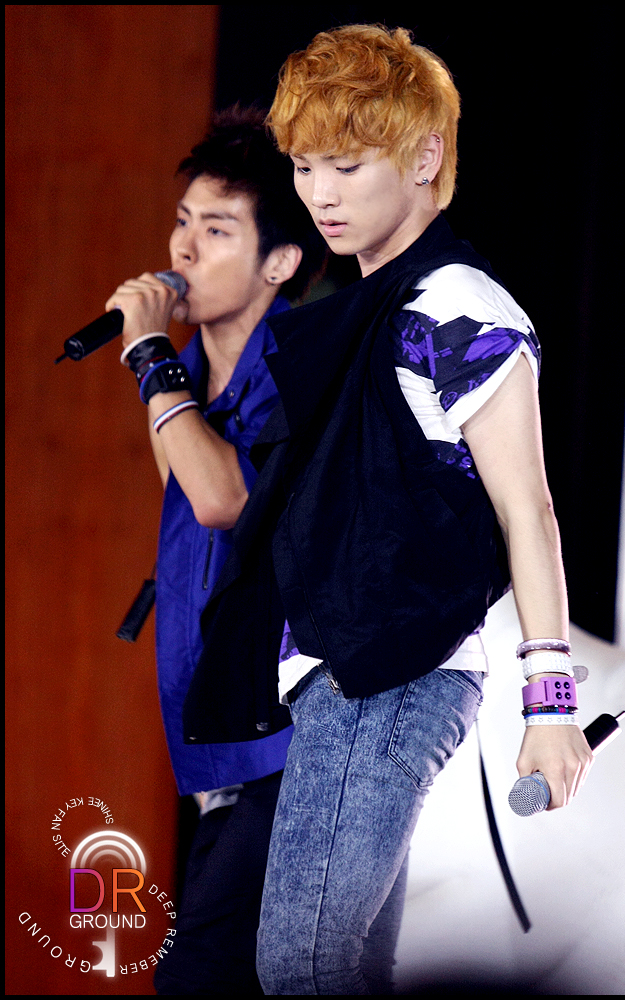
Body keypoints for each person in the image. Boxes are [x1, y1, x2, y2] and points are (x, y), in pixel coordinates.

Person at [187, 25, 595, 995]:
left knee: (302, 966)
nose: (320, 193)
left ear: (422, 158)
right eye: (305, 166)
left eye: (347, 165)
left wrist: (551, 702)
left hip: (390, 674)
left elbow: (527, 506)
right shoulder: (369, 307)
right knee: (341, 968)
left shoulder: (457, 305)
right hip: (343, 675)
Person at [104, 105, 324, 995]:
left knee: (198, 975)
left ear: (280, 262)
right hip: (220, 745)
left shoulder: (298, 368)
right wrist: (166, 368)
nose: (183, 250)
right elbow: (189, 496)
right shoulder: (191, 376)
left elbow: (223, 498)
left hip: (289, 743)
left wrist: (151, 356)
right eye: (183, 221)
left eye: (218, 229)